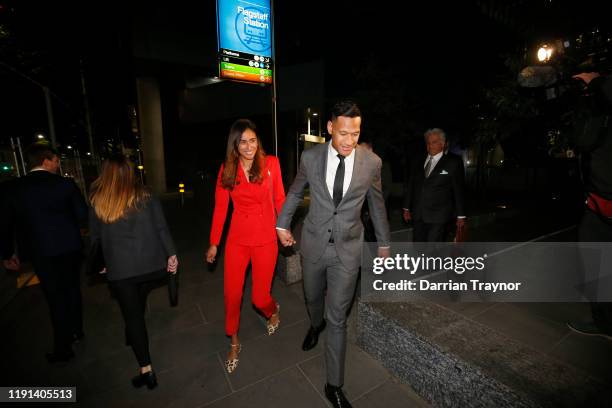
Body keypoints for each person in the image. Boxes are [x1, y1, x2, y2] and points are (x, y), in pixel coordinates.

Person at [277, 100, 391, 408]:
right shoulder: (310, 158)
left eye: (355, 133)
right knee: (313, 298)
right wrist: (282, 223)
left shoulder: (371, 162)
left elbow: (377, 205)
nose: (349, 140)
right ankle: (315, 324)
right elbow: (295, 191)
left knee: (338, 317)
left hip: (349, 250)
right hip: (314, 243)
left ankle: (334, 385)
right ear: (330, 128)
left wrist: (383, 244)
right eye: (343, 133)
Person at [89, 155, 178, 390]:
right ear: (130, 172)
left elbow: (95, 239)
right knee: (138, 299)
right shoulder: (146, 195)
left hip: (121, 271)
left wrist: (101, 263)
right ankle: (134, 327)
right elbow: (161, 227)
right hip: (151, 267)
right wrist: (172, 254)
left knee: (133, 317)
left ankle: (146, 369)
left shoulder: (98, 200)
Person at [206, 119, 285, 374]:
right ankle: (234, 340)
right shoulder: (226, 170)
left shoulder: (271, 163)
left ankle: (272, 311)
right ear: (235, 145)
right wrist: (214, 243)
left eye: (253, 140)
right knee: (232, 295)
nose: (249, 146)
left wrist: (283, 229)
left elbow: (279, 198)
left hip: (265, 239)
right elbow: (220, 208)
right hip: (237, 240)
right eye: (243, 141)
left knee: (259, 297)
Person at [1, 143, 88, 363]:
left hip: (41, 252)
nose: (58, 165)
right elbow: (81, 215)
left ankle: (63, 347)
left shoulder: (14, 188)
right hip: (70, 248)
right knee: (72, 289)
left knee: (55, 297)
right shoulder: (65, 185)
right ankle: (77, 331)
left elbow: (5, 225)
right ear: (45, 160)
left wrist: (7, 253)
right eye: (56, 160)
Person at [567, 71, 612, 340]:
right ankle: (604, 320)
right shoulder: (599, 113)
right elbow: (583, 139)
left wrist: (596, 82)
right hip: (600, 199)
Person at [402, 128, 466, 242]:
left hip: (439, 215)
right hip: (419, 213)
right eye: (428, 142)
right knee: (418, 245)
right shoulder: (418, 160)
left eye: (434, 142)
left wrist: (461, 215)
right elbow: (411, 185)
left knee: (433, 248)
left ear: (442, 144)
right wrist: (406, 207)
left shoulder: (453, 162)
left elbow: (458, 190)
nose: (430, 146)